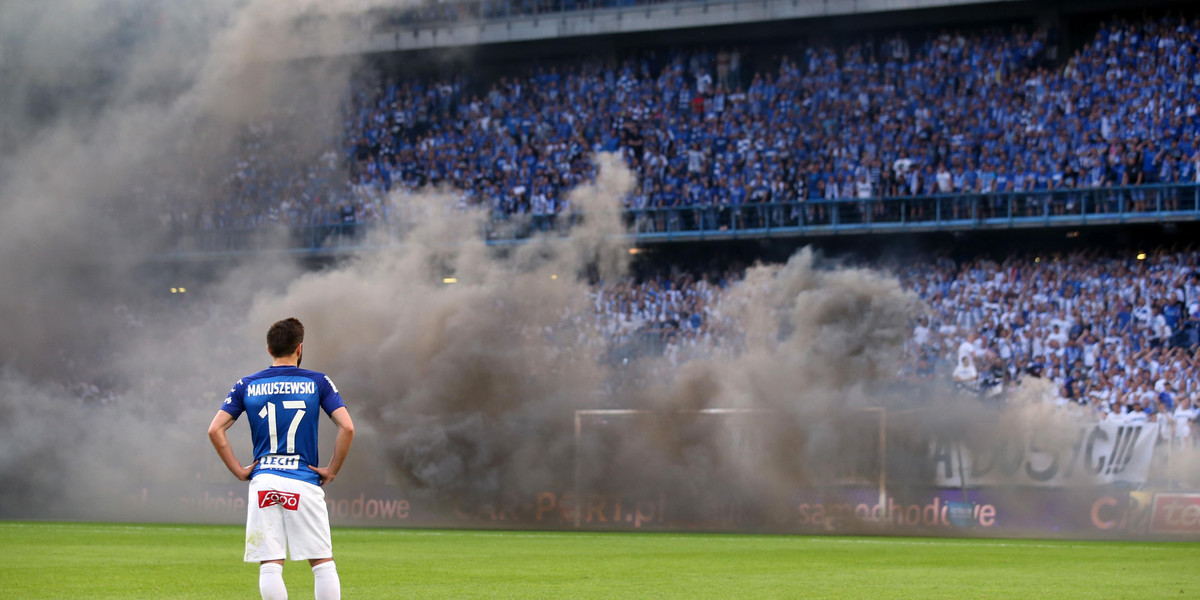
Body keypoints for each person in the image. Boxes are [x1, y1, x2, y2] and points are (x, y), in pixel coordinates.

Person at [208, 317, 355, 600]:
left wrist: (239, 470)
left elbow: (215, 429)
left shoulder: (247, 384)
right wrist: (332, 469)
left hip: (264, 480)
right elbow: (347, 427)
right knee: (322, 561)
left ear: (268, 349)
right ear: (299, 348)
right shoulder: (317, 381)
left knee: (271, 563)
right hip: (303, 478)